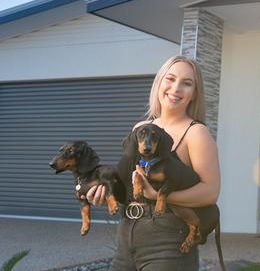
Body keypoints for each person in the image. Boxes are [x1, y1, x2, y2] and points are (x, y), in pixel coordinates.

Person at [85, 55, 221, 271]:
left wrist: (157, 196)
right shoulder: (141, 128)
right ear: (159, 82)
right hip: (126, 237)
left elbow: (210, 192)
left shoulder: (196, 133)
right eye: (170, 78)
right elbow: (128, 187)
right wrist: (104, 193)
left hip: (168, 243)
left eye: (187, 83)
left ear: (195, 93)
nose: (176, 88)